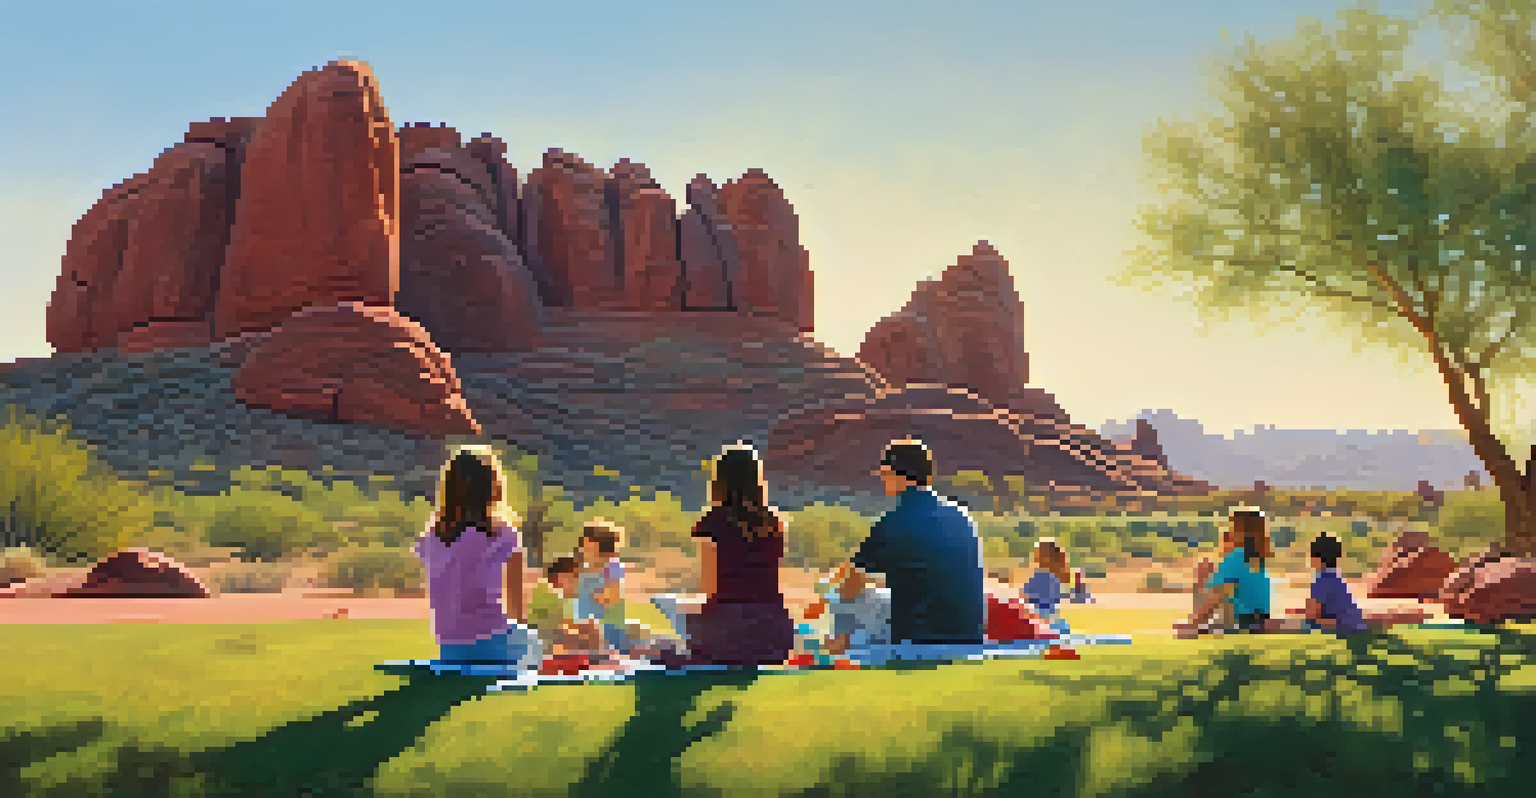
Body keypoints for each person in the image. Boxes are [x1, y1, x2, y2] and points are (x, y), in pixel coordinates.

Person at [826, 439, 985, 646]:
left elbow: (850, 584)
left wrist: (829, 592)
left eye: (884, 474)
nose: (882, 480)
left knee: (840, 598)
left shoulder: (894, 520)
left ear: (898, 475)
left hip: (918, 639)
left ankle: (839, 646)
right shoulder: (961, 516)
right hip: (968, 636)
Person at [656, 442, 795, 667]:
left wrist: (687, 612)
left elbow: (711, 591)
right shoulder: (774, 524)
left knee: (664, 643)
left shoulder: (712, 524)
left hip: (728, 635)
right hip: (777, 637)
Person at [414, 447, 543, 668]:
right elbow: (516, 607)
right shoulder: (503, 533)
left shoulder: (430, 536)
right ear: (492, 485)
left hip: (450, 649)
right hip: (496, 645)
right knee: (539, 642)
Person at [1181, 508, 1272, 636]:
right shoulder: (1258, 560)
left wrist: (1191, 625)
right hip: (1259, 622)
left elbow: (1214, 598)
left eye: (1232, 527)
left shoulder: (1237, 558)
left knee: (1206, 567)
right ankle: (1203, 624)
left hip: (1241, 624)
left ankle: (1201, 625)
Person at [574, 519, 629, 654]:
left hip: (608, 626)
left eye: (585, 543)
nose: (581, 547)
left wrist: (595, 596)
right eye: (582, 543)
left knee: (607, 656)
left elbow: (613, 597)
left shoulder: (612, 566)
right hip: (585, 626)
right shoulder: (583, 568)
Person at [1302, 533, 1368, 636]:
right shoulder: (1335, 576)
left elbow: (1313, 613)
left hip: (1341, 626)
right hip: (1354, 622)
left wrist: (1306, 610)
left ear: (1317, 558)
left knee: (1306, 624)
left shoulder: (1321, 580)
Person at [1022, 538, 1074, 632]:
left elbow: (1026, 595)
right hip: (1050, 616)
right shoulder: (1055, 577)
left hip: (1037, 616)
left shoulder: (1041, 575)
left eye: (1037, 553)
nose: (1034, 556)